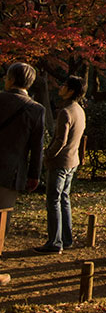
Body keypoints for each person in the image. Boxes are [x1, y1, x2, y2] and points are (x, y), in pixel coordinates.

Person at [0, 62, 45, 286]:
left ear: (9, 79)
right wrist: (34, 175)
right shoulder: (36, 109)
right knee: (1, 219)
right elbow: (37, 147)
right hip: (11, 172)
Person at [34, 75, 86, 254]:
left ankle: (54, 241)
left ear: (71, 90)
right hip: (72, 160)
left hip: (60, 162)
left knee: (53, 200)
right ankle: (66, 238)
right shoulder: (79, 110)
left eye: (64, 85)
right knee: (64, 198)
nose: (60, 87)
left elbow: (60, 140)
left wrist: (47, 155)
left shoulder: (65, 112)